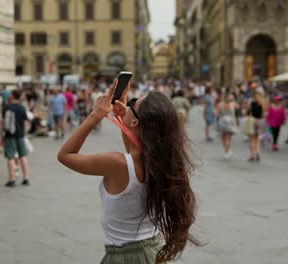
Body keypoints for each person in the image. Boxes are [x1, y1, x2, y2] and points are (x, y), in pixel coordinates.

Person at [58, 80, 200, 263]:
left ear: (135, 122)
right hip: (152, 249)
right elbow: (133, 145)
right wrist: (124, 115)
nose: (127, 105)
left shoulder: (119, 164)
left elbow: (65, 155)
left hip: (127, 257)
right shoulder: (159, 159)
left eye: (132, 104)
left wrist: (96, 114)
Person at [0, 89, 30, 187]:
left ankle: (12, 179)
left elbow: (3, 122)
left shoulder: (6, 107)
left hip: (9, 135)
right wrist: (24, 134)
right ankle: (26, 178)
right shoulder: (22, 108)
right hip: (20, 135)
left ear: (12, 96)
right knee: (23, 156)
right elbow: (26, 123)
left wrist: (2, 135)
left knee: (10, 157)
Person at [216, 93, 239, 160]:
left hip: (222, 121)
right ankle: (227, 151)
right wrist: (235, 125)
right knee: (229, 137)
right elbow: (234, 114)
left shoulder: (219, 104)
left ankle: (226, 150)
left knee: (223, 137)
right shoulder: (232, 104)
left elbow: (217, 114)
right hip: (230, 121)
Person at [247, 91, 266, 162]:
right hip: (260, 121)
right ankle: (257, 153)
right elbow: (264, 113)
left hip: (253, 120)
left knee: (252, 139)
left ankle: (252, 155)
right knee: (258, 138)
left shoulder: (251, 103)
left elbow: (248, 111)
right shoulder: (262, 103)